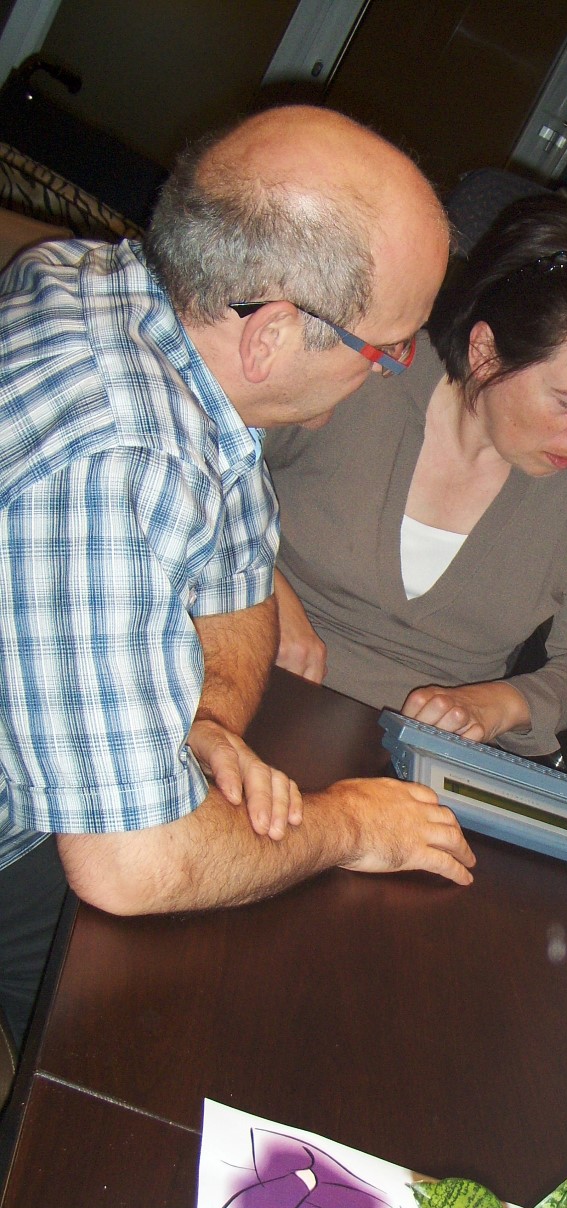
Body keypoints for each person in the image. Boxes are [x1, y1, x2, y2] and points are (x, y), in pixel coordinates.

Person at [0, 106, 475, 1052]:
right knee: (185, 1038)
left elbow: (240, 583)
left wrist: (204, 721)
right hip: (32, 836)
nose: (393, 373)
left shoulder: (108, 286)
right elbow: (131, 869)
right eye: (388, 350)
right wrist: (351, 826)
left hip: (33, 798)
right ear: (274, 334)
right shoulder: (128, 457)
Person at [264, 191, 567, 756]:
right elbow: (203, 465)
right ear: (484, 353)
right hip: (247, 675)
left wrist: (498, 704)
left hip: (417, 757)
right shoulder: (363, 378)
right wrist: (259, 587)